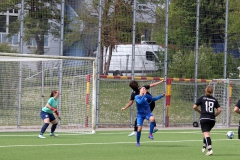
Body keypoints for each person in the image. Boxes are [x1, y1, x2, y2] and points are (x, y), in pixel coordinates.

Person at [193, 85, 221, 156]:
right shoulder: (214, 99)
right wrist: (214, 115)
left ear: (205, 91)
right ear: (212, 91)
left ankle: (210, 150)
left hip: (204, 118)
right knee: (206, 133)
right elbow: (219, 110)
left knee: (206, 134)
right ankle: (204, 145)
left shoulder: (202, 98)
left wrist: (200, 111)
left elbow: (194, 107)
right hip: (212, 120)